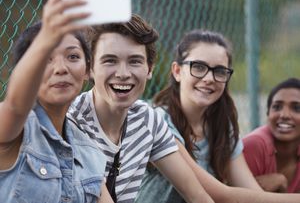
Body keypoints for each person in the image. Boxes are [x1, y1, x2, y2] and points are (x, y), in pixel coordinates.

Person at [135, 29, 300, 203]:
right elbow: (222, 196)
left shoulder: (221, 126)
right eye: (198, 67)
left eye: (220, 71)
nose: (209, 78)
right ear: (177, 71)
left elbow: (248, 189)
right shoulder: (159, 122)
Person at [68, 14, 215, 203]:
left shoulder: (147, 119)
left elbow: (197, 196)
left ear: (150, 68)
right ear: (89, 69)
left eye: (135, 61)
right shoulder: (72, 123)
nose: (123, 74)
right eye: (110, 61)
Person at [0, 0, 113, 203]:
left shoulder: (90, 152)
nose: (61, 68)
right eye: (46, 59)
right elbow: (15, 107)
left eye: (72, 56)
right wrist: (47, 36)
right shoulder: (14, 129)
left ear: (88, 69)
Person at [243, 77, 300, 193]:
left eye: (297, 108)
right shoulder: (254, 145)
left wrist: (281, 184)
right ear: (268, 114)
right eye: (277, 107)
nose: (284, 115)